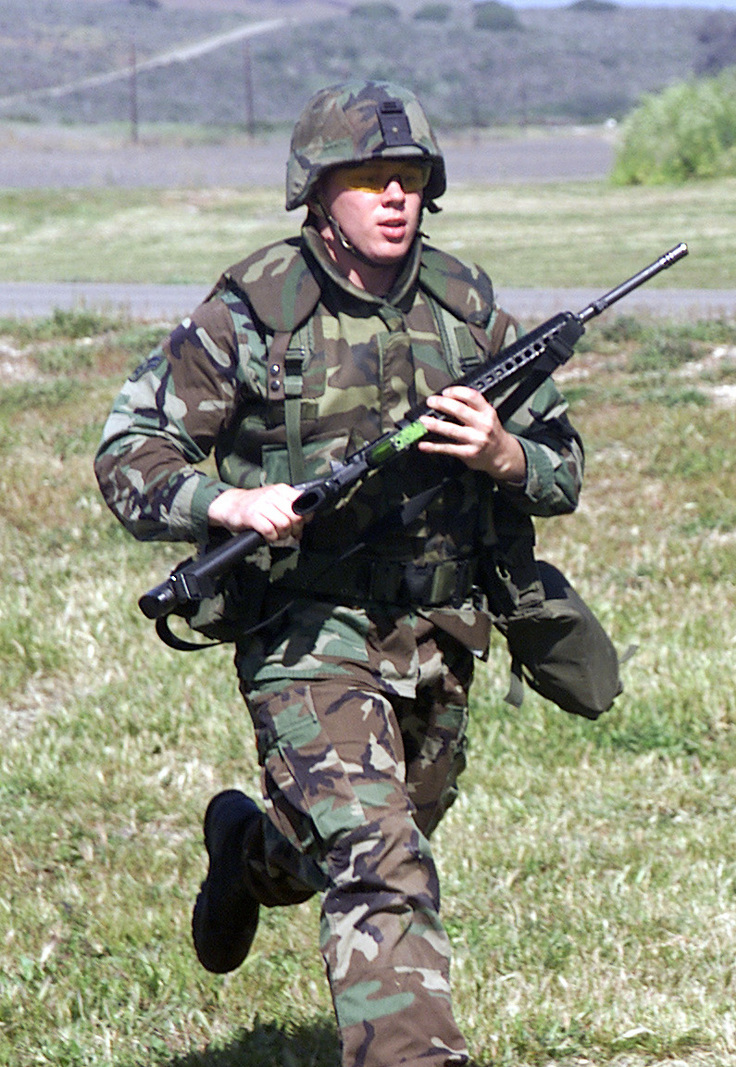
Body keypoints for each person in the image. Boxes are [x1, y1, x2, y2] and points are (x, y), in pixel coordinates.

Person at [95, 81, 585, 1067]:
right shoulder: (252, 310)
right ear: (317, 194)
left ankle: (246, 854)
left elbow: (561, 465)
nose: (393, 197)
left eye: (408, 178)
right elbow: (127, 451)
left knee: (353, 837)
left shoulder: (465, 303)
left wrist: (503, 455)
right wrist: (223, 504)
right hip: (303, 627)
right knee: (378, 852)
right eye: (368, 179)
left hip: (440, 633)